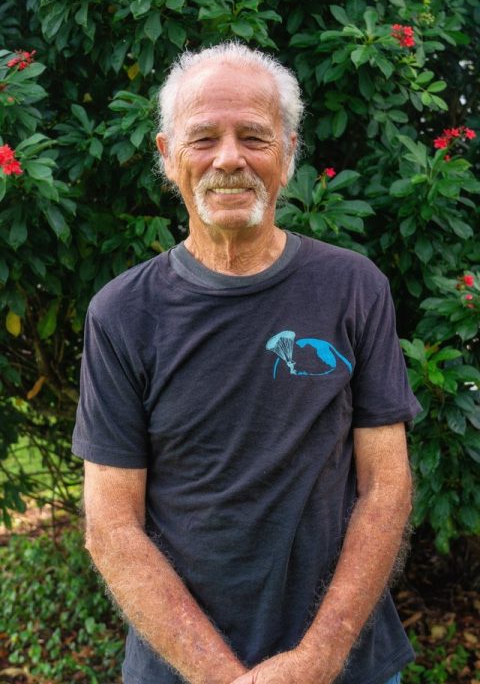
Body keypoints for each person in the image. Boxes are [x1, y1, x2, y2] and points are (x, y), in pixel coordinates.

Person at [72, 42, 421, 684]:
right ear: (166, 156)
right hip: (180, 670)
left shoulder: (354, 288)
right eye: (203, 137)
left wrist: (319, 659)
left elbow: (386, 487)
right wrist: (222, 678)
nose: (229, 159)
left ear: (288, 156)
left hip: (348, 667)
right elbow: (112, 527)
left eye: (254, 137)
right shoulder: (121, 313)